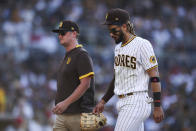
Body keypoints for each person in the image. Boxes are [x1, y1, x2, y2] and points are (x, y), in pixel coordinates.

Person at [93, 8, 164, 131]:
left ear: (124, 27)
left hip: (136, 100)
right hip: (122, 102)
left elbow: (154, 75)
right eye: (109, 30)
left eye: (114, 30)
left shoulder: (142, 44)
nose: (111, 34)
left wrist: (157, 106)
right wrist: (104, 101)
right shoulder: (118, 48)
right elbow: (117, 78)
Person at [52, 20, 95, 131]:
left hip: (79, 115)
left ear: (74, 34)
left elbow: (85, 84)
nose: (60, 36)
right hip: (62, 116)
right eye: (59, 33)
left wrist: (65, 103)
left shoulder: (81, 55)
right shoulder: (68, 56)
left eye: (63, 33)